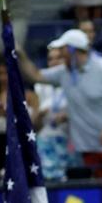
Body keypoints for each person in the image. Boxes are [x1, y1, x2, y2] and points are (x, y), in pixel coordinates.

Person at [19, 29, 102, 179]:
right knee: (97, 196)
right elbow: (35, 75)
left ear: (74, 51)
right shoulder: (64, 72)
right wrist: (19, 52)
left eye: (63, 51)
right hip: (88, 148)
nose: (61, 56)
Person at [33, 45, 76, 180]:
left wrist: (69, 116)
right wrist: (39, 115)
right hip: (46, 142)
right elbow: (34, 126)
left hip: (71, 140)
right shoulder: (40, 85)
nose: (54, 62)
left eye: (59, 58)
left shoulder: (75, 81)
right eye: (50, 59)